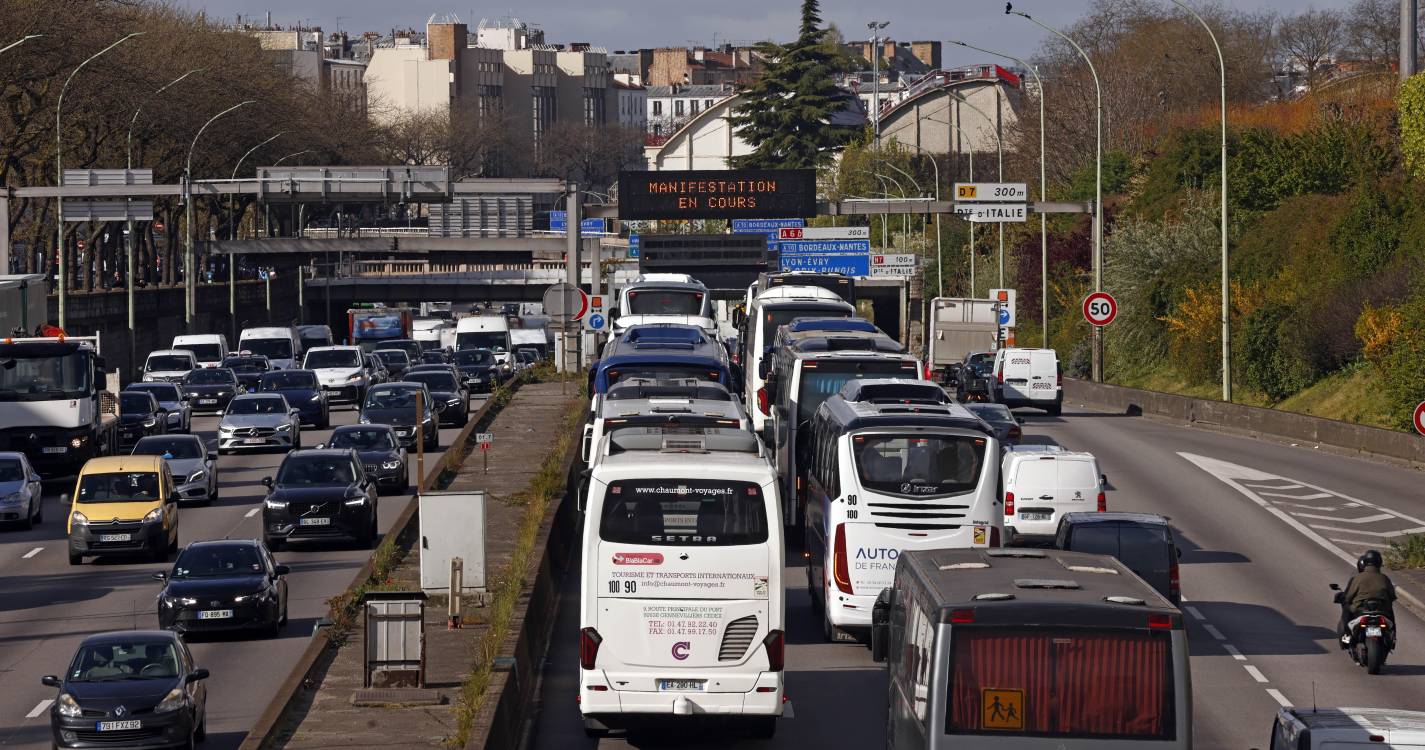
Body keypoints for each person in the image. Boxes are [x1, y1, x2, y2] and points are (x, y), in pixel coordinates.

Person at [1338, 549, 1397, 646]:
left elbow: (1348, 596)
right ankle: (1393, 637)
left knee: (1346, 608)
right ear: (1379, 563)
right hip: (1382, 610)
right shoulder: (1384, 578)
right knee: (1390, 611)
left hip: (1361, 609)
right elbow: (1392, 596)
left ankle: (1346, 636)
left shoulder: (1358, 578)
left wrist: (1345, 600)